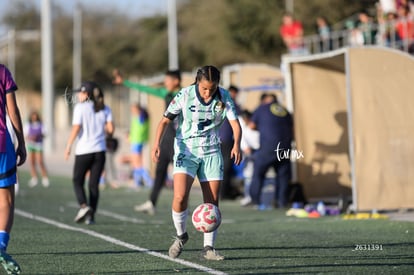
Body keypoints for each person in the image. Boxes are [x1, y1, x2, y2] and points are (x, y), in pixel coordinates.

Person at [152, 65, 241, 260]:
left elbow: (235, 124)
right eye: (204, 88)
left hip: (211, 152)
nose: (208, 92)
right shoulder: (184, 95)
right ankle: (181, 235)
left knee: (211, 203)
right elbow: (164, 121)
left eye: (212, 88)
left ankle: (208, 248)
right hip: (186, 150)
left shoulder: (224, 97)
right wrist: (156, 144)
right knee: (179, 196)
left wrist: (237, 145)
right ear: (197, 83)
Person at [113, 69, 181, 215]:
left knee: (182, 177)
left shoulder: (185, 95)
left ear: (176, 80)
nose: (166, 83)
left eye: (168, 80)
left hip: (181, 142)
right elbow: (145, 89)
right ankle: (151, 202)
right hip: (166, 141)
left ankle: (183, 207)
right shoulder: (166, 94)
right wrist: (124, 82)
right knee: (160, 173)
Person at [65, 81, 114, 225]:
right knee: (93, 184)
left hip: (84, 151)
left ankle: (84, 206)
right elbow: (110, 130)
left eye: (80, 92)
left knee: (77, 180)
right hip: (100, 151)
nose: (78, 95)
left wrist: (68, 145)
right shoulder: (105, 108)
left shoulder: (80, 108)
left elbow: (76, 128)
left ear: (87, 94)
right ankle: (91, 217)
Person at [0, 64, 26, 274]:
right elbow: (13, 111)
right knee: (6, 200)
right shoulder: (2, 72)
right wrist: (22, 143)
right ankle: (0, 246)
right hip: (2, 144)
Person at [249, 94, 293, 209]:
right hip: (285, 147)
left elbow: (251, 125)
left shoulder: (261, 108)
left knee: (258, 173)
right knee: (283, 176)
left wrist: (263, 127)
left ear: (264, 101)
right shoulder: (285, 110)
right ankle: (281, 202)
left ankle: (255, 201)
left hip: (268, 147)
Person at [219, 85, 242, 200]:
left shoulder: (223, 103)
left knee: (225, 168)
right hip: (224, 140)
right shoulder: (228, 103)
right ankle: (223, 193)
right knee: (225, 168)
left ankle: (223, 192)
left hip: (223, 140)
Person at [129, 103, 152, 188]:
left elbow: (138, 131)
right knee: (136, 164)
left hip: (137, 141)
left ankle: (149, 180)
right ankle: (137, 182)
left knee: (137, 164)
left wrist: (131, 137)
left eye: (133, 109)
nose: (132, 111)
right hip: (136, 141)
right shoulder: (140, 117)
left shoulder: (141, 117)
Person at [25, 111, 49, 188]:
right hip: (31, 145)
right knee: (32, 162)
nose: (34, 117)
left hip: (38, 145)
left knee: (40, 161)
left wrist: (38, 136)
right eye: (33, 116)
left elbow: (45, 134)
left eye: (35, 116)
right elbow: (26, 135)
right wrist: (30, 137)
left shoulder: (41, 125)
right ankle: (34, 178)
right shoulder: (28, 125)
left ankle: (45, 178)